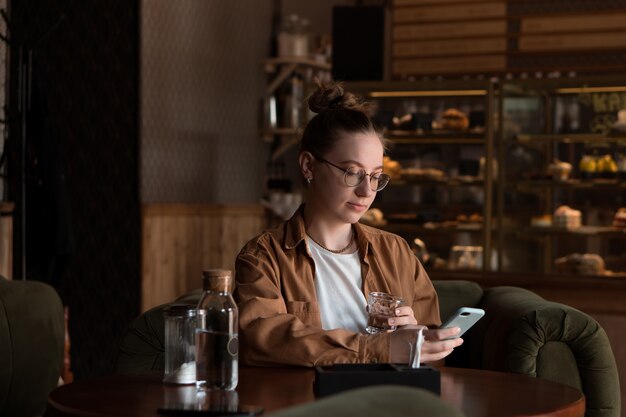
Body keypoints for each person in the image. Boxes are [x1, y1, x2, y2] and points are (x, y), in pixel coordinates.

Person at [234, 81, 462, 367]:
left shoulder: (397, 252)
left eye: (376, 176)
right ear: (308, 166)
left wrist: (413, 336)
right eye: (353, 173)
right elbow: (264, 340)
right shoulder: (263, 257)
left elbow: (432, 356)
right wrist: (380, 348)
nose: (367, 191)